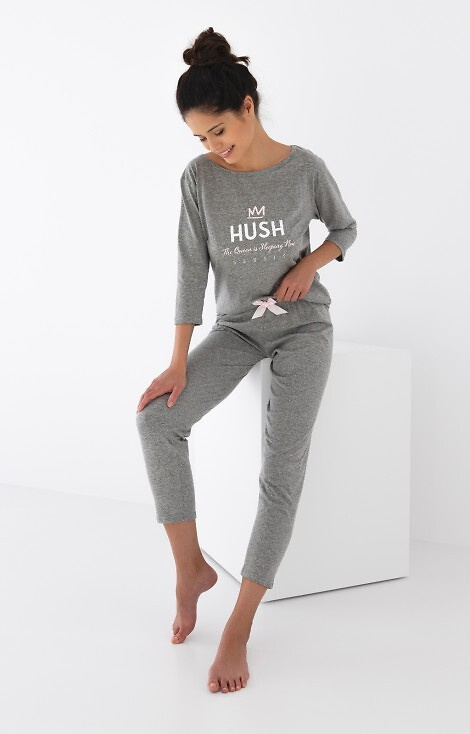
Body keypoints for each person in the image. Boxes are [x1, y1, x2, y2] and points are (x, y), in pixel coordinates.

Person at [135, 26, 357, 695]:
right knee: (157, 421)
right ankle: (191, 569)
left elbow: (344, 228)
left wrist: (310, 266)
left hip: (303, 329)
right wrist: (178, 361)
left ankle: (240, 623)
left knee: (280, 471)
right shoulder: (200, 179)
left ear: (249, 107)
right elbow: (190, 270)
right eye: (200, 137)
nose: (213, 146)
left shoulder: (304, 167)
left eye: (219, 131)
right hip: (236, 331)